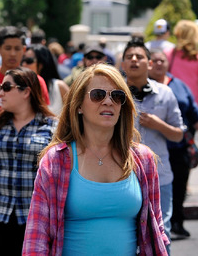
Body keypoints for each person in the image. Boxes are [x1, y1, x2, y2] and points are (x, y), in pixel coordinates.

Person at [23, 64, 170, 255]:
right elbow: (36, 237)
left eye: (117, 96)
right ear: (79, 106)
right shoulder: (56, 160)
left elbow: (156, 229)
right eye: (98, 95)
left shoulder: (143, 159)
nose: (108, 102)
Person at [0, 67, 56, 255]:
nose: (0, 92)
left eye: (7, 87)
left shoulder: (52, 128)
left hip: (35, 217)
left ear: (26, 91)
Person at [122, 38, 184, 244]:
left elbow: (179, 134)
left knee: (161, 234)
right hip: (122, 176)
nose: (134, 60)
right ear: (122, 64)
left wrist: (159, 125)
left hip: (160, 176)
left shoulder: (165, 93)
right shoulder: (114, 95)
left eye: (139, 56)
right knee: (128, 235)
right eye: (129, 57)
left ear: (149, 63)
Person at [149, 49, 198, 240]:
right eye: (155, 60)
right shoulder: (141, 87)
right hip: (151, 151)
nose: (159, 64)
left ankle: (176, 222)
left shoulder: (178, 85)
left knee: (179, 187)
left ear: (168, 63)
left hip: (178, 147)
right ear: (149, 63)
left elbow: (194, 111)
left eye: (162, 60)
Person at [0, 26, 50, 162]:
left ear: (24, 50)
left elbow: (45, 118)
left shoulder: (36, 81)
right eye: (8, 48)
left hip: (28, 152)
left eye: (17, 49)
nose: (12, 53)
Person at [165, 20, 198, 158]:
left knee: (171, 141)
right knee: (188, 142)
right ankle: (185, 171)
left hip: (172, 102)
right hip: (194, 105)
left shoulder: (170, 54)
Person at [22, 44, 69, 116]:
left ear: (41, 65)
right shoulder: (19, 87)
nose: (24, 64)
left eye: (29, 61)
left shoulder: (59, 87)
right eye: (23, 60)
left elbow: (74, 114)